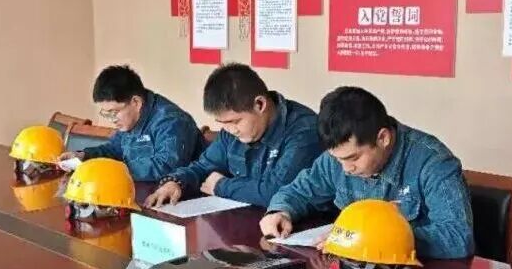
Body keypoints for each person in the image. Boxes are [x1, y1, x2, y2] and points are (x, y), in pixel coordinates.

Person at [260, 86, 474, 260]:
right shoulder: (338, 159)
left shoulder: (433, 162)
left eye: (353, 158)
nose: (346, 168)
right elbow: (298, 191)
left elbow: (458, 237)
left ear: (383, 138)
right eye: (338, 159)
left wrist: (372, 238)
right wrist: (280, 211)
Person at [144, 63, 321, 209]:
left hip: (294, 230)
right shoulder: (232, 131)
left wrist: (221, 186)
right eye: (223, 123)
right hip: (242, 221)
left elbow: (279, 193)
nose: (230, 130)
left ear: (260, 104)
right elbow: (203, 167)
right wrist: (175, 182)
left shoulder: (303, 131)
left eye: (235, 122)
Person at [58, 65, 202, 182]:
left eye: (114, 112)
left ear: (136, 102)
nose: (112, 119)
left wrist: (111, 169)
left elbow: (166, 167)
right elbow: (114, 149)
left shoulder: (171, 121)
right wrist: (83, 156)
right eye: (106, 113)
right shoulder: (130, 119)